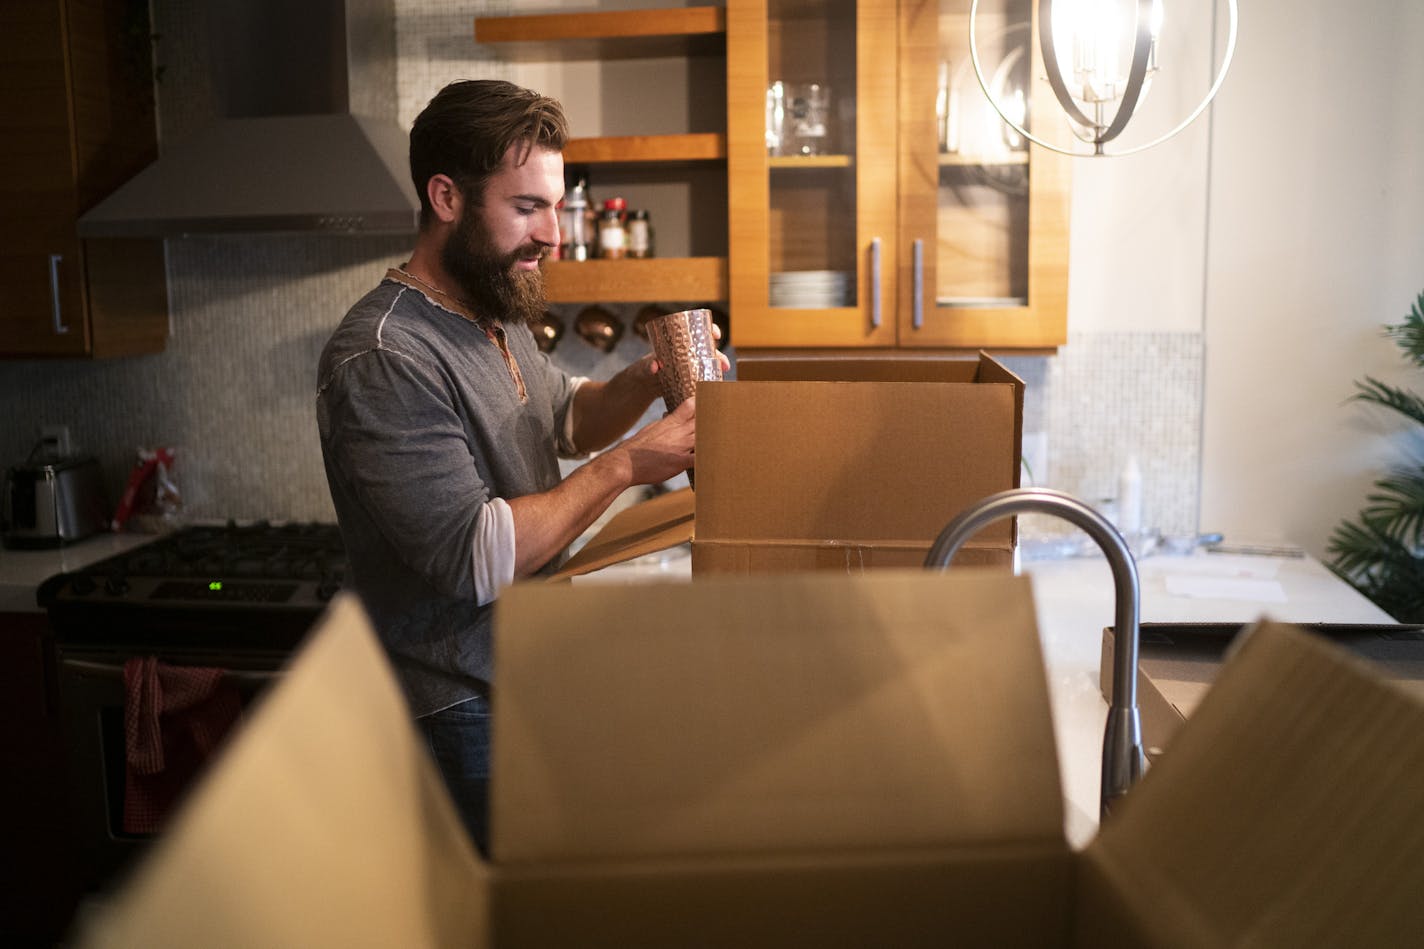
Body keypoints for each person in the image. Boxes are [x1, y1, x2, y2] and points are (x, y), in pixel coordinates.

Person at [315, 79, 714, 854]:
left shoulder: (490, 310)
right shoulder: (385, 354)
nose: (553, 236)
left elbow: (562, 414)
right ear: (447, 197)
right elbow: (476, 554)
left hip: (514, 674)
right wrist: (630, 461)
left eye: (556, 207)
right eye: (528, 207)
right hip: (453, 702)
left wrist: (644, 379)